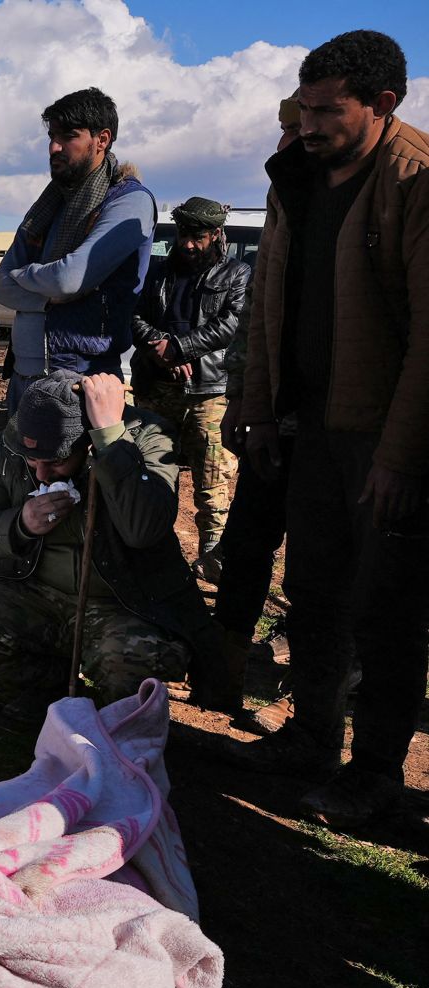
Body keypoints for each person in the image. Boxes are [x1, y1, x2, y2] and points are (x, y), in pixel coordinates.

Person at [227, 30, 429, 827]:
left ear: (382, 104)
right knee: (312, 592)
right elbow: (266, 299)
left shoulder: (415, 179)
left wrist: (403, 457)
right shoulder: (296, 178)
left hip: (384, 446)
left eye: (325, 110)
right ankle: (311, 736)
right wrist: (255, 403)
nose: (306, 124)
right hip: (305, 427)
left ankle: (375, 771)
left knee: (386, 609)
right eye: (301, 108)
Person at [0, 372, 223, 715]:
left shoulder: (147, 436)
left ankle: (118, 717)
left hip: (126, 603)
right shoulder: (15, 441)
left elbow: (143, 530)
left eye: (57, 461)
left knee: (134, 657)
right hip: (39, 593)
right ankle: (48, 687)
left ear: (86, 444)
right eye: (34, 462)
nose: (42, 475)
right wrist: (21, 524)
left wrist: (110, 441)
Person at [212, 95, 304, 715]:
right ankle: (222, 675)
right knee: (246, 550)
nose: (291, 140)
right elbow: (254, 318)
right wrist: (244, 398)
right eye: (288, 129)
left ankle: (304, 694)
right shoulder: (284, 198)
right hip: (273, 419)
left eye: (299, 128)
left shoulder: (391, 188)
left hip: (338, 429)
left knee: (317, 572)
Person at [0, 88, 155, 409]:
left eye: (68, 137)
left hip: (79, 379)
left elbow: (71, 278)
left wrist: (25, 276)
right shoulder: (49, 205)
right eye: (52, 136)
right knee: (18, 461)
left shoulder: (128, 201)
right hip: (24, 377)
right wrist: (50, 292)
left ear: (102, 139)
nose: (54, 147)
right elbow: (0, 285)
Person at [130, 197, 250, 580]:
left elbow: (232, 325)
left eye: (198, 237)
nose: (188, 244)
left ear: (216, 235)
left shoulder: (237, 274)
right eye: (184, 234)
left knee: (213, 481)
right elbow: (132, 316)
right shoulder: (157, 272)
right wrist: (161, 347)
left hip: (210, 392)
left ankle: (214, 564)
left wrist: (181, 347)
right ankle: (152, 558)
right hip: (156, 387)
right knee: (150, 474)